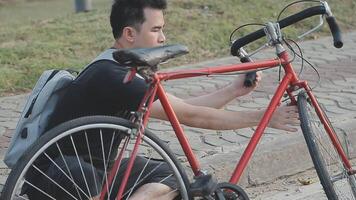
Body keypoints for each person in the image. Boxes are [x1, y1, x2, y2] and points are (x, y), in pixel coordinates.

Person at [25, 0, 299, 199]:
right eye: (156, 29)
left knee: (172, 176)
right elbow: (193, 117)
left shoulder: (121, 69)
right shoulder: (113, 76)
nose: (163, 37)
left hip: (97, 170)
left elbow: (184, 108)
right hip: (57, 173)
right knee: (87, 178)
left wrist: (232, 91)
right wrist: (264, 118)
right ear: (130, 34)